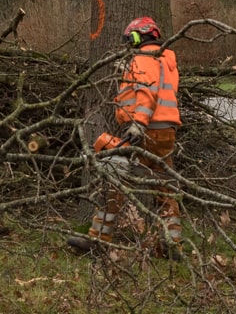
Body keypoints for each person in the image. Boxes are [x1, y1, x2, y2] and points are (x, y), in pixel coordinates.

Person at [71, 16, 182, 254]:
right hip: (166, 133)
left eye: (130, 39)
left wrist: (138, 125)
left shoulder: (143, 58)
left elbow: (147, 92)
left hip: (144, 132)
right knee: (164, 188)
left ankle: (98, 241)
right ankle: (172, 244)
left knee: (114, 178)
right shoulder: (167, 60)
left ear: (137, 36)